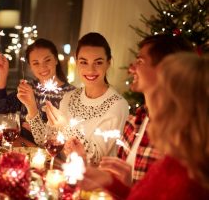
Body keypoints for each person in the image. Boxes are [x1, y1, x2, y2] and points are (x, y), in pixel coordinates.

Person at [81, 53, 209, 199]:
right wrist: (111, 183)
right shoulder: (176, 160)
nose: (151, 100)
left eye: (158, 91)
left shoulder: (185, 182)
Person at [99, 34, 194, 187]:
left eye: (140, 61)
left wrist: (128, 188)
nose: (131, 68)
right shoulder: (133, 122)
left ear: (165, 70)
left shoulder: (182, 138)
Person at [28, 32, 129, 165]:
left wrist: (65, 127)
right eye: (84, 62)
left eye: (98, 62)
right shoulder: (70, 97)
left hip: (90, 182)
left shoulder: (117, 105)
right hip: (62, 173)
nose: (90, 69)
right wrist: (31, 106)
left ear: (108, 63)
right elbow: (44, 140)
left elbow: (95, 158)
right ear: (76, 62)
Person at [0, 38, 75, 142]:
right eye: (36, 63)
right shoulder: (29, 88)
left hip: (52, 154)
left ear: (56, 60)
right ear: (30, 66)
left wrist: (37, 129)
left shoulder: (72, 94)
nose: (43, 67)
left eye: (47, 60)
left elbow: (69, 135)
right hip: (24, 148)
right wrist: (3, 73)